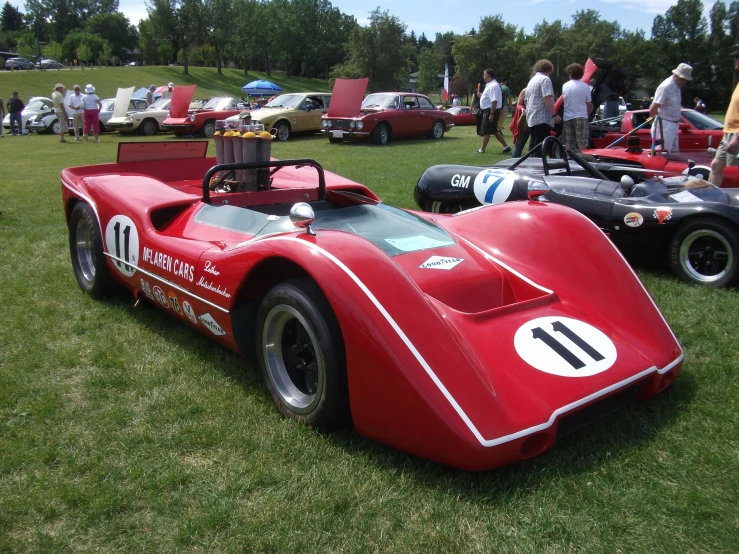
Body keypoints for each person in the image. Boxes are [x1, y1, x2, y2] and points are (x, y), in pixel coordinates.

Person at [708, 49, 739, 186]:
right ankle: (710, 198)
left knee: (734, 169)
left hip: (737, 134)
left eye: (737, 58)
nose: (735, 62)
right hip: (729, 132)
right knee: (716, 166)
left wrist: (737, 138)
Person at [650, 62, 692, 153]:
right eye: (683, 79)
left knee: (674, 154)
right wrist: (656, 124)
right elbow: (653, 108)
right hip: (664, 124)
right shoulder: (666, 86)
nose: (684, 82)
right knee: (663, 153)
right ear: (677, 76)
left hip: (674, 124)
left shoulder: (677, 86)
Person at [525, 59, 561, 156]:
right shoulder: (545, 79)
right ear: (549, 70)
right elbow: (547, 98)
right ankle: (538, 169)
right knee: (541, 149)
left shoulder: (532, 80)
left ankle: (531, 167)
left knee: (533, 146)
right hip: (542, 118)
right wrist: (554, 115)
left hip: (532, 117)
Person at [476, 68, 511, 154]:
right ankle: (506, 146)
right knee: (494, 130)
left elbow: (494, 100)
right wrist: (481, 95)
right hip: (488, 110)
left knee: (487, 130)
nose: (483, 77)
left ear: (489, 75)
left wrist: (491, 113)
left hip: (490, 110)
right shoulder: (490, 85)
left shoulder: (493, 86)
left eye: (484, 75)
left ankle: (482, 149)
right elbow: (489, 98)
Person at [561, 63, 593, 152]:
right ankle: (582, 161)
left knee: (568, 144)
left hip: (567, 117)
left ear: (570, 73)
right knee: (582, 143)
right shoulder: (586, 87)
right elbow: (588, 105)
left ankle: (567, 161)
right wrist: (588, 114)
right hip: (581, 117)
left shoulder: (565, 86)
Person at [510, 87, 530, 157]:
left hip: (537, 120)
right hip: (526, 120)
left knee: (534, 143)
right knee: (520, 142)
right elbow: (518, 105)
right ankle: (514, 161)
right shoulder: (525, 90)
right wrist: (522, 109)